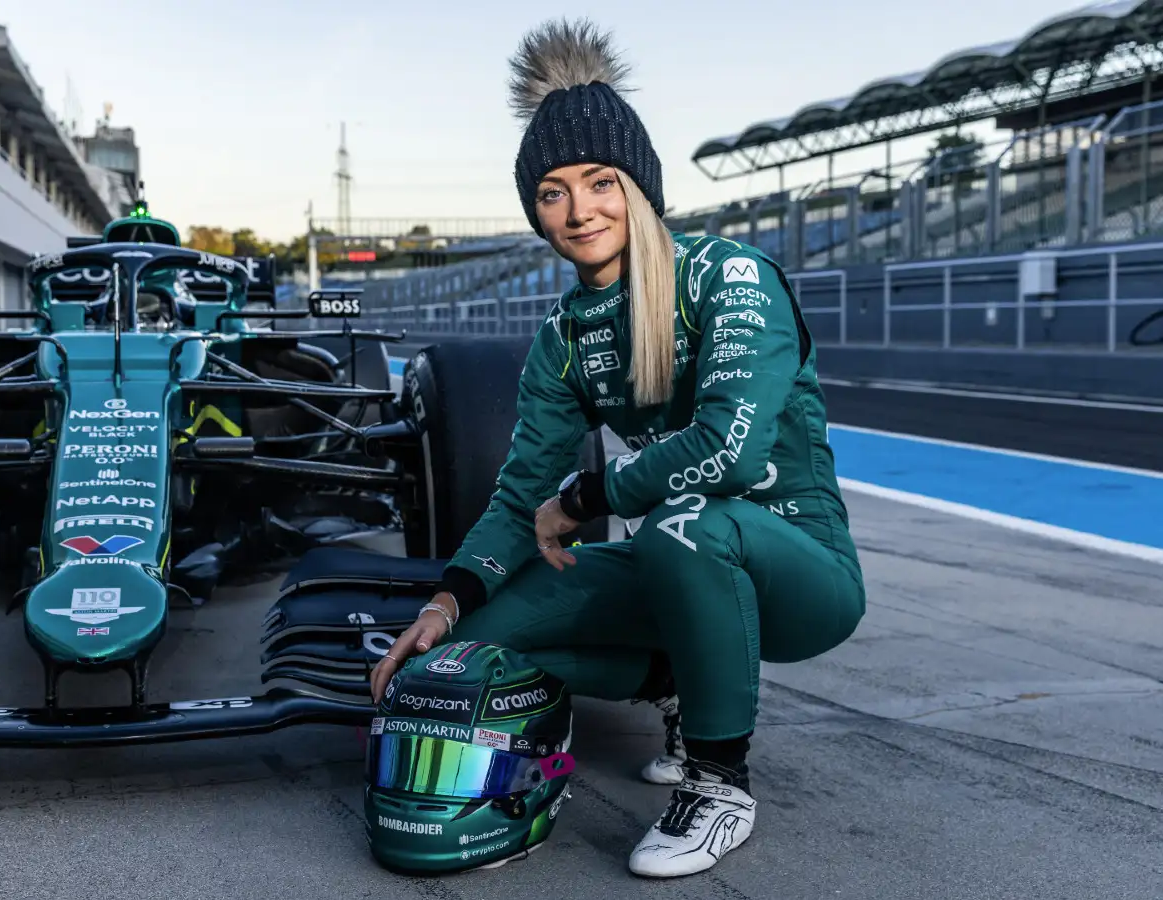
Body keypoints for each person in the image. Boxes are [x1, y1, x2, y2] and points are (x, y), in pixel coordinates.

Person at [368, 18, 867, 880]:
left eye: (599, 182)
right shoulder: (563, 334)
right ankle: (677, 679)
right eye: (553, 192)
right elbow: (522, 487)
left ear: (637, 186)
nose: (579, 210)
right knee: (478, 646)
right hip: (679, 560)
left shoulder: (729, 275)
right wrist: (446, 603)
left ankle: (719, 782)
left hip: (800, 574)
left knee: (686, 519)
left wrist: (586, 502)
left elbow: (731, 453)